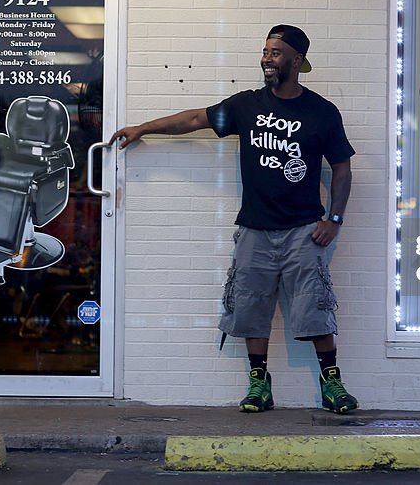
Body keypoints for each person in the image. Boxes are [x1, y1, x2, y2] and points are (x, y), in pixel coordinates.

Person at [110, 25, 358, 414]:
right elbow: (195, 120)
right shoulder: (247, 105)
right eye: (265, 51)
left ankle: (333, 384)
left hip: (303, 232)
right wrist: (144, 127)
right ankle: (259, 385)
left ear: (296, 60)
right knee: (250, 307)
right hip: (255, 231)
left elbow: (341, 168)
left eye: (276, 53)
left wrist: (335, 218)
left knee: (314, 307)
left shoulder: (322, 112)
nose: (267, 59)